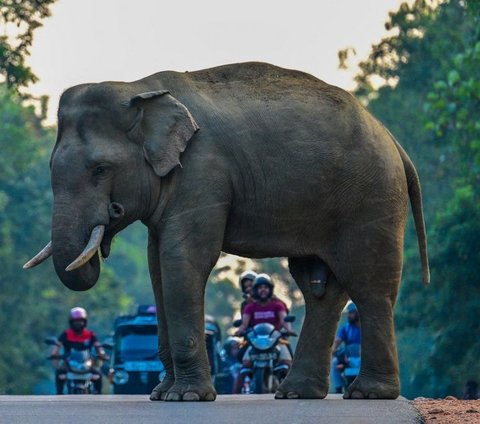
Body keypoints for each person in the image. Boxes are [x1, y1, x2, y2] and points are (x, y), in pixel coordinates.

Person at [235, 274, 295, 369]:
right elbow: (244, 324)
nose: (263, 290)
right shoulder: (249, 307)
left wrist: (289, 329)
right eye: (260, 288)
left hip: (275, 340)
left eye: (266, 287)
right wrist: (239, 331)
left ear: (270, 289)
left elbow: (284, 320)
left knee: (288, 364)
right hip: (255, 341)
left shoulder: (278, 305)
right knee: (244, 366)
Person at [51, 307, 106, 394]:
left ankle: (99, 395)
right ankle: (59, 395)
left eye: (81, 321)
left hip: (87, 363)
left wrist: (102, 354)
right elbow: (57, 346)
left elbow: (98, 346)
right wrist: (54, 354)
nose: (78, 323)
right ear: (71, 322)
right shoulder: (66, 334)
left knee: (98, 374)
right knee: (59, 373)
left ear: (85, 322)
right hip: (69, 363)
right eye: (76, 321)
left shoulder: (90, 334)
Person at [331, 302, 361, 393]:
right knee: (335, 362)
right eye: (348, 313)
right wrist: (334, 349)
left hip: (364, 356)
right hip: (348, 357)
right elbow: (338, 340)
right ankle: (338, 388)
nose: (349, 315)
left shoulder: (366, 327)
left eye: (351, 313)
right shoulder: (346, 328)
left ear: (357, 313)